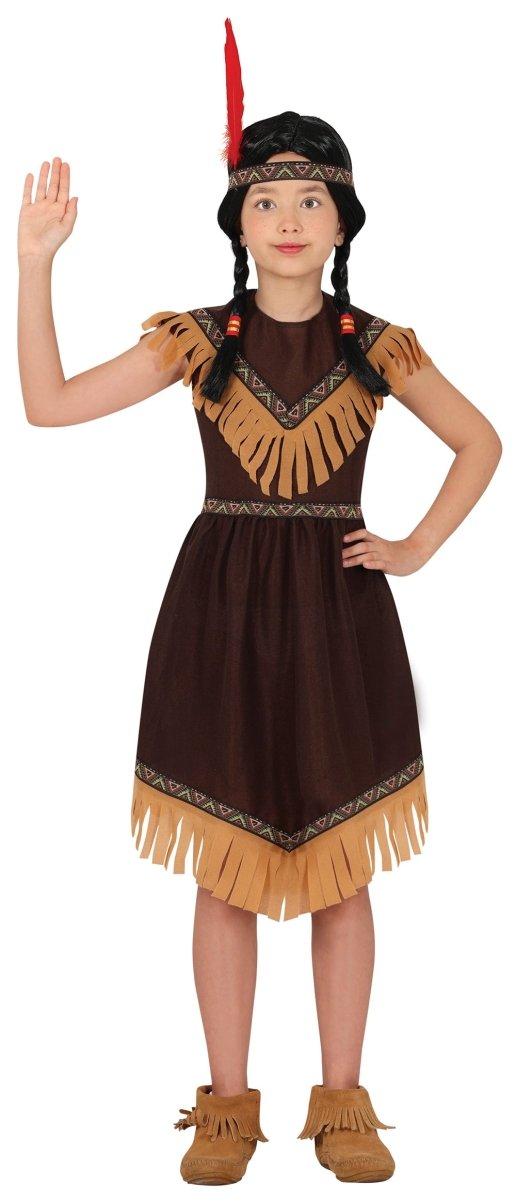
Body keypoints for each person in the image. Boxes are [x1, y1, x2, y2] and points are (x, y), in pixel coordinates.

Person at [17, 111, 502, 1186]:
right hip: (220, 618)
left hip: (341, 620)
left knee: (342, 872)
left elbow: (481, 441)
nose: (288, 218)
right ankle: (228, 1107)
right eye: (266, 199)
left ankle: (343, 1103)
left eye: (310, 199)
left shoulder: (376, 346)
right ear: (237, 220)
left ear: (343, 222)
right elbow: (48, 407)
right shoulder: (199, 341)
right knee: (225, 872)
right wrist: (35, 264)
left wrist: (417, 546)